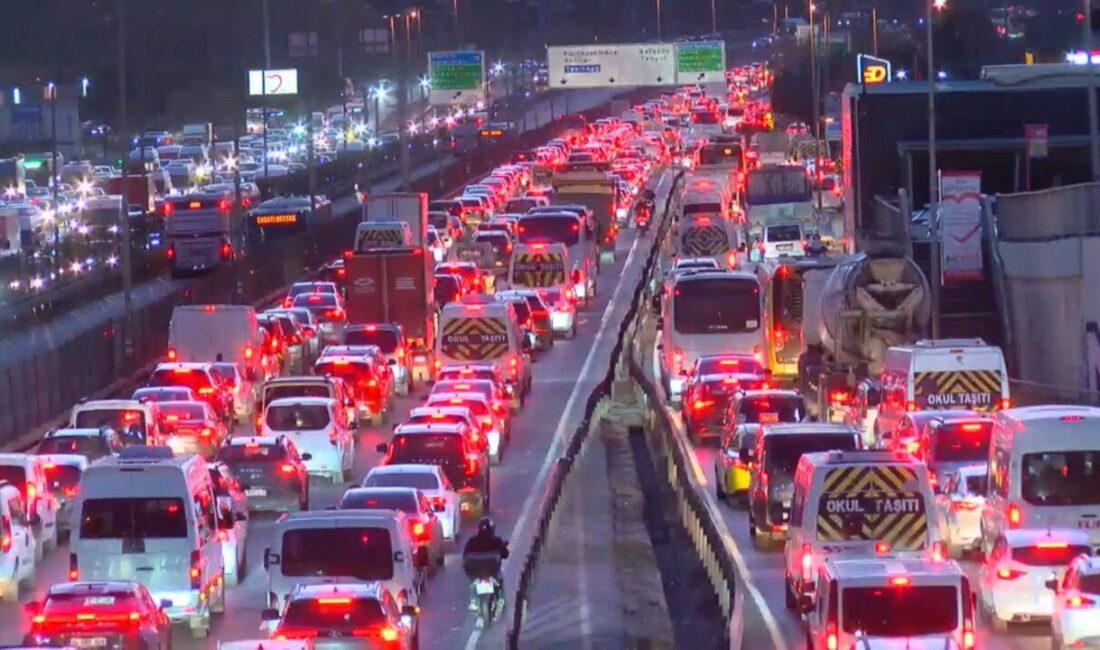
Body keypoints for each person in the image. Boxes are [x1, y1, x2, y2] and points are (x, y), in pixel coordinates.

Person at [462, 517, 509, 611]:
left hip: (477, 573)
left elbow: (465, 555)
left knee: (473, 583)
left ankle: (475, 601)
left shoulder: (472, 541)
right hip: (490, 572)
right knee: (499, 580)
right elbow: (505, 554)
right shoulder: (496, 541)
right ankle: (500, 599)